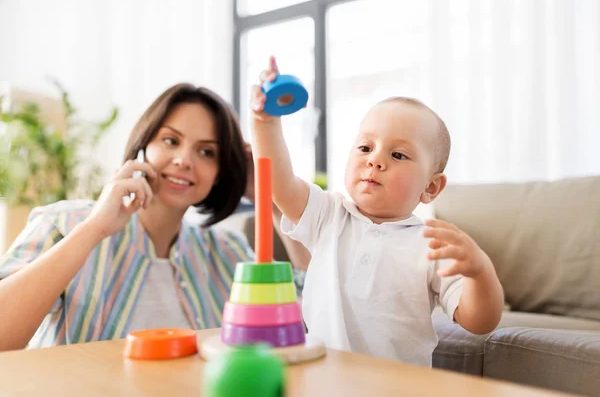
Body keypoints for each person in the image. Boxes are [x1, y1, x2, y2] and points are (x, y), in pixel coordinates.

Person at [0, 83, 309, 351]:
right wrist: (94, 229)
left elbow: (306, 322)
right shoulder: (63, 223)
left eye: (207, 153)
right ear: (143, 147)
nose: (184, 161)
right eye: (170, 141)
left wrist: (275, 200)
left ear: (220, 174)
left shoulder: (227, 251)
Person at [249, 57, 504, 367]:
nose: (375, 160)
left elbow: (479, 322)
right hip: (320, 378)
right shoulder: (329, 215)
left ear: (431, 188)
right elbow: (280, 182)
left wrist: (480, 273)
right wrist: (265, 122)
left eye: (398, 154)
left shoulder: (432, 244)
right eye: (365, 148)